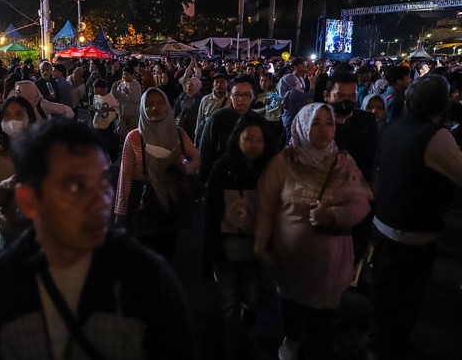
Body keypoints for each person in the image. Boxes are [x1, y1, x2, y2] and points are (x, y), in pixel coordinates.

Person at [0, 119, 198, 360]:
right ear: (29, 200)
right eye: (76, 186)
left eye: (103, 182)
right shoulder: (1, 286)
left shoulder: (144, 276)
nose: (101, 201)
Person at [254, 103, 372, 360]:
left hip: (329, 261)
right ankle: (292, 339)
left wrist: (333, 215)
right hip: (290, 257)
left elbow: (361, 205)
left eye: (328, 123)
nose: (323, 129)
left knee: (321, 320)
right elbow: (266, 205)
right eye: (316, 123)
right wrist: (261, 245)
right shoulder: (284, 161)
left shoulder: (343, 163)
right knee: (290, 306)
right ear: (302, 125)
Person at [368, 75, 462, 360]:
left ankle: (375, 345)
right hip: (411, 237)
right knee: (402, 304)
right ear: (442, 104)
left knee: (383, 298)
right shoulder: (437, 136)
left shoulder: (394, 126)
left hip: (382, 226)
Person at [203, 113, 276, 359]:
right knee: (230, 302)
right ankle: (234, 346)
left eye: (259, 139)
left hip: (255, 247)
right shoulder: (222, 168)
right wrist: (210, 251)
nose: (254, 144)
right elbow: (210, 213)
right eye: (248, 139)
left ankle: (247, 320)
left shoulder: (269, 171)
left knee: (253, 298)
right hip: (225, 247)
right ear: (238, 140)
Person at [114, 88, 200, 262]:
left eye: (160, 103)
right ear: (143, 109)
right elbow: (125, 177)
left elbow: (196, 158)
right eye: (150, 104)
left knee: (168, 250)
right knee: (145, 255)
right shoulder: (134, 138)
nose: (155, 108)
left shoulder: (179, 134)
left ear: (168, 106)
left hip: (173, 201)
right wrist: (120, 212)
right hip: (145, 205)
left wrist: (186, 166)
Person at [0, 96, 36, 250]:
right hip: (11, 231)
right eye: (7, 115)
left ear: (29, 119)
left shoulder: (42, 149)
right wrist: (2, 187)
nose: (12, 120)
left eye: (19, 114)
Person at [199, 75, 257, 183]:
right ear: (230, 95)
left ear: (253, 96)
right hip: (221, 180)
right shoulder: (216, 119)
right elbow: (205, 153)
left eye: (247, 95)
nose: (241, 99)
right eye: (237, 95)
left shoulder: (258, 121)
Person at [195, 71, 229, 146]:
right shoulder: (206, 99)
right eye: (216, 82)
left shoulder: (231, 100)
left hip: (226, 137)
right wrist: (196, 138)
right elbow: (200, 119)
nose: (219, 85)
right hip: (208, 135)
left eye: (222, 82)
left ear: (227, 84)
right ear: (213, 84)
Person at [112, 65, 142, 143]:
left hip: (133, 113)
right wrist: (113, 89)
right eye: (123, 74)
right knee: (120, 131)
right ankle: (126, 143)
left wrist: (128, 93)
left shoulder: (136, 85)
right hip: (122, 112)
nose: (124, 76)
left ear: (132, 75)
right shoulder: (121, 83)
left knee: (133, 133)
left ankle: (133, 146)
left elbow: (136, 100)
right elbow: (116, 96)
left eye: (127, 74)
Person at [173, 76, 203, 141]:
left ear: (197, 86)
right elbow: (176, 110)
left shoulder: (201, 99)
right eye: (188, 84)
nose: (189, 87)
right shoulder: (182, 96)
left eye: (192, 85)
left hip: (193, 128)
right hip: (180, 125)